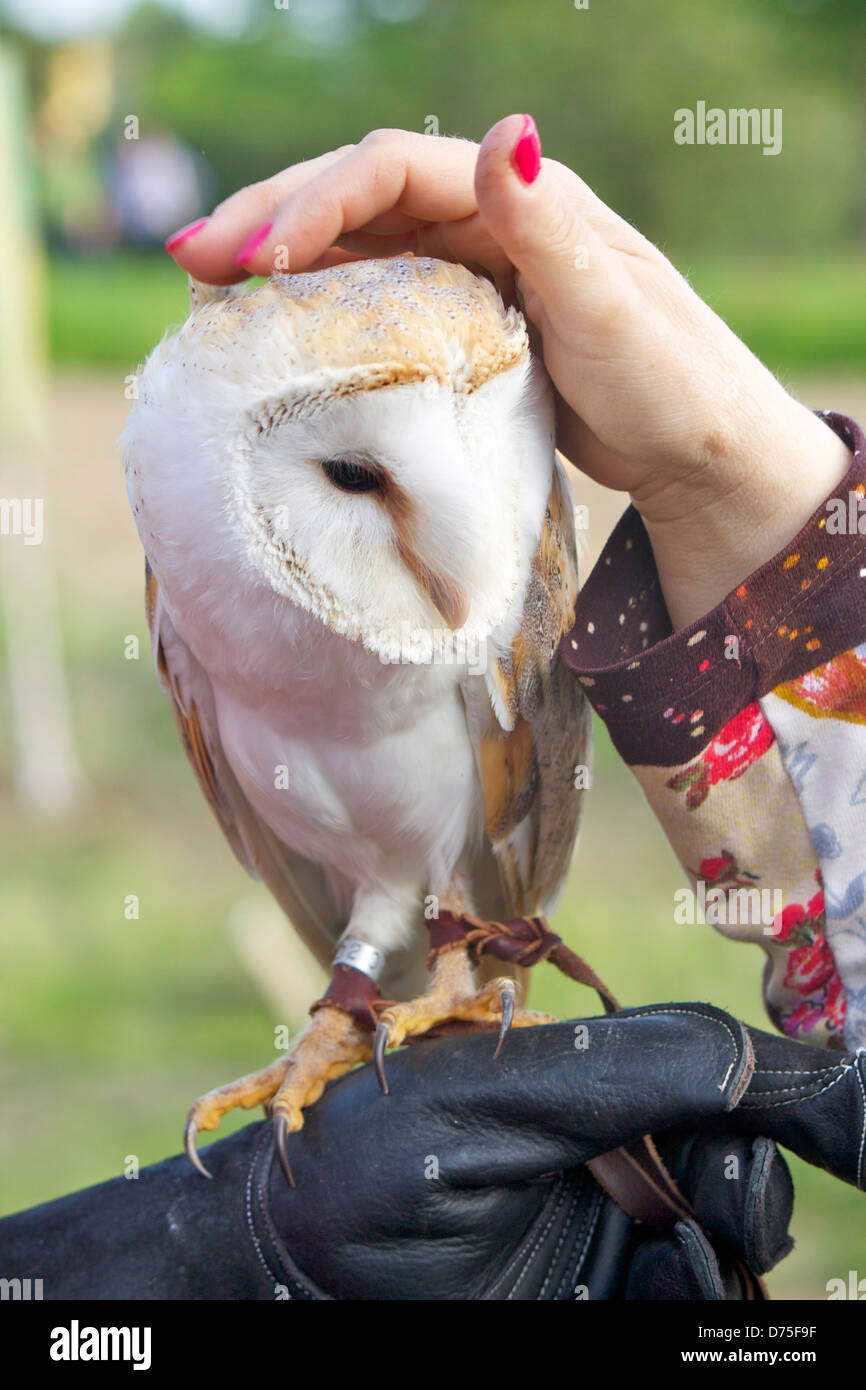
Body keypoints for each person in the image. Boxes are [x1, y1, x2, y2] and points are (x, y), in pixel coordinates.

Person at [2, 116, 863, 1300]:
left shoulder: (494, 584)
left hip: (462, 876)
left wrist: (727, 471)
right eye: (356, 476)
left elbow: (508, 815)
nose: (462, 576)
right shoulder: (191, 576)